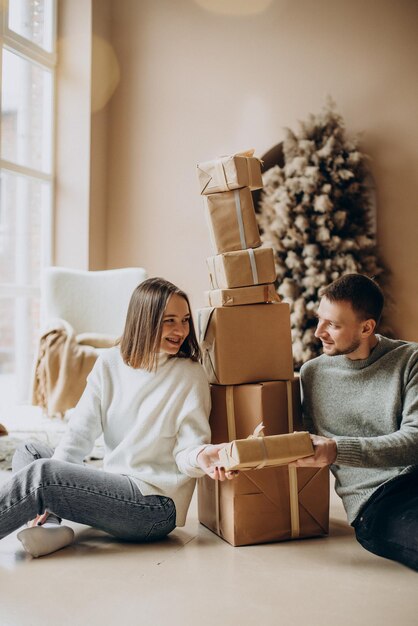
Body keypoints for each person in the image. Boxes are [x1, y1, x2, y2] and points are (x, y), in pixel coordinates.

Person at [0, 277, 235, 558]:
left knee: (44, 475)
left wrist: (202, 456)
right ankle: (51, 526)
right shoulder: (110, 363)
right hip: (117, 485)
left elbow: (187, 448)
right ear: (144, 320)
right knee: (31, 451)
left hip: (154, 507)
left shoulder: (190, 374)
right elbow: (79, 434)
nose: (181, 330)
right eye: (169, 321)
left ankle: (50, 514)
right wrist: (56, 489)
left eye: (185, 320)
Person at [292, 273, 418, 571]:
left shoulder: (409, 360)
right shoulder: (312, 375)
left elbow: (414, 442)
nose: (318, 332)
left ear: (366, 327)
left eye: (333, 325)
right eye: (319, 319)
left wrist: (336, 449)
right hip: (377, 501)